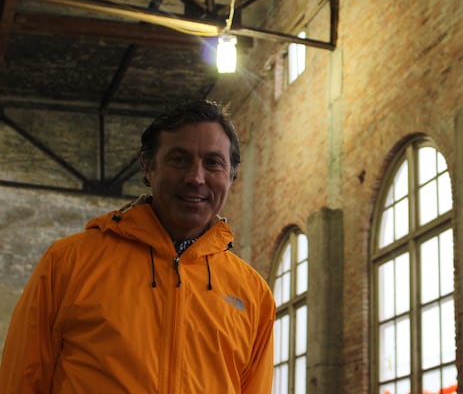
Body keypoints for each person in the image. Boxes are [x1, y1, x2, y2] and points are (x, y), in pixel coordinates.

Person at [0, 99, 276, 393]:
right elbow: (20, 381)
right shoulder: (69, 263)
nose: (195, 177)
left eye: (213, 163)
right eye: (179, 159)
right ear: (147, 166)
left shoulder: (253, 295)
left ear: (231, 175)